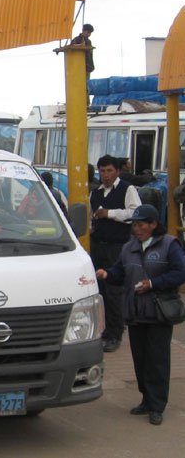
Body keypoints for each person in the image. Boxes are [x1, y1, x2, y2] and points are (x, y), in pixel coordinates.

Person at [95, 204, 185, 426]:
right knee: (140, 359)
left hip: (158, 313)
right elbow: (120, 272)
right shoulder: (129, 248)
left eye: (142, 224)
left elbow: (180, 272)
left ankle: (157, 406)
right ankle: (146, 398)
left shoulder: (169, 245)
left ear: (154, 224)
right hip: (135, 312)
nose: (138, 229)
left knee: (157, 360)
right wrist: (107, 274)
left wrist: (153, 283)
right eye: (135, 225)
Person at [90, 154, 142, 353]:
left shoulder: (127, 189)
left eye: (109, 171)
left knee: (114, 292)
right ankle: (104, 330)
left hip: (117, 247)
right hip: (98, 246)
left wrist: (110, 213)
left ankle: (115, 333)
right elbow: (90, 216)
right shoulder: (95, 193)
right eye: (102, 171)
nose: (106, 175)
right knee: (100, 291)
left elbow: (135, 212)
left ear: (117, 171)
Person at [71, 23, 95, 102]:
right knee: (81, 86)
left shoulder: (88, 41)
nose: (89, 34)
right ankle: (82, 102)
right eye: (88, 32)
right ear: (84, 31)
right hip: (79, 67)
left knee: (86, 86)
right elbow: (72, 46)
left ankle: (86, 103)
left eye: (90, 33)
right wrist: (80, 45)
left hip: (87, 67)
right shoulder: (77, 39)